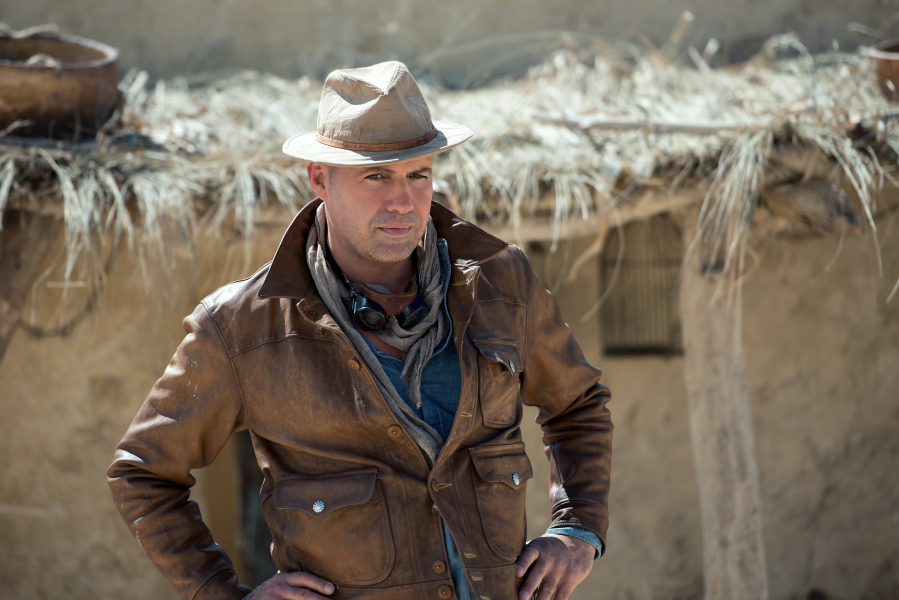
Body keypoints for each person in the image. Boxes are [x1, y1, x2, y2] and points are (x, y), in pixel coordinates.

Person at [108, 61, 613, 600]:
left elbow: (577, 403)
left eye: (418, 174)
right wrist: (221, 592)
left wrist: (577, 529)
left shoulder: (500, 282)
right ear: (319, 178)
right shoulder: (242, 325)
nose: (403, 201)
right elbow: (143, 473)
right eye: (376, 176)